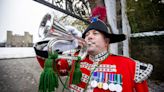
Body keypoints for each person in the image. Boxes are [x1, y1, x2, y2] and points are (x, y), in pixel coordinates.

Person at [34, 20, 153, 92]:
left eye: (95, 33)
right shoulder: (76, 58)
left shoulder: (130, 65)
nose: (89, 37)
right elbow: (51, 69)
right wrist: (55, 48)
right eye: (86, 35)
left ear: (106, 41)